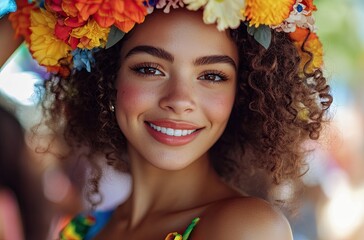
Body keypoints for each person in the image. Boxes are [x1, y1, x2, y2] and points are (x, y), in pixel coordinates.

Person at [4, 0, 332, 239]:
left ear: (243, 92)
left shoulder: (246, 228)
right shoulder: (86, 227)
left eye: (213, 76)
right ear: (108, 78)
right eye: (150, 69)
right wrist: (40, 8)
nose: (178, 100)